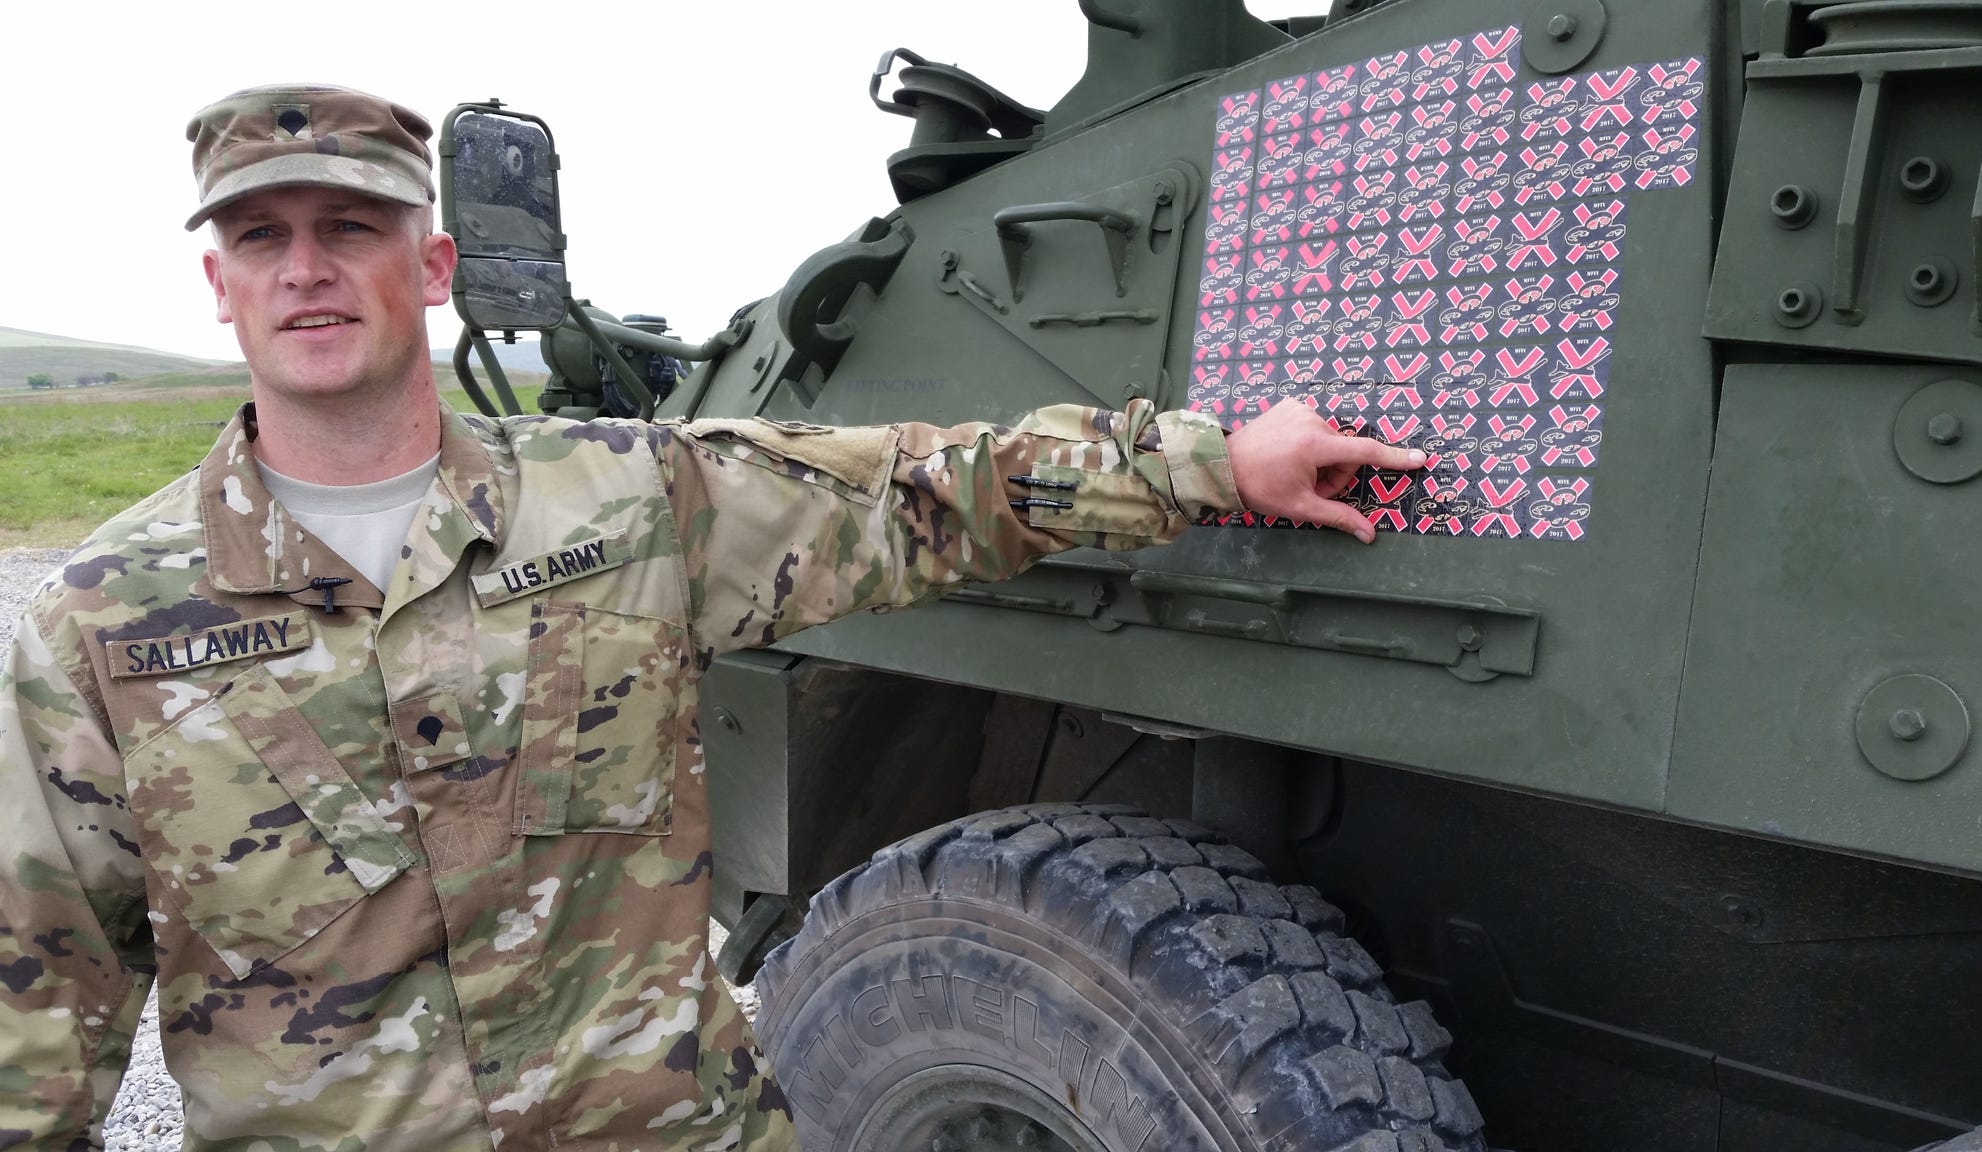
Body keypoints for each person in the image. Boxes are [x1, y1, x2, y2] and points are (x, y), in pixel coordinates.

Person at [0, 84, 1423, 1150]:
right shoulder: (106, 623)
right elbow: (43, 1004)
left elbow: (912, 497)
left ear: (429, 269)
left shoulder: (624, 503)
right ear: (219, 287)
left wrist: (1212, 462)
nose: (307, 268)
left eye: (351, 228)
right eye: (264, 238)